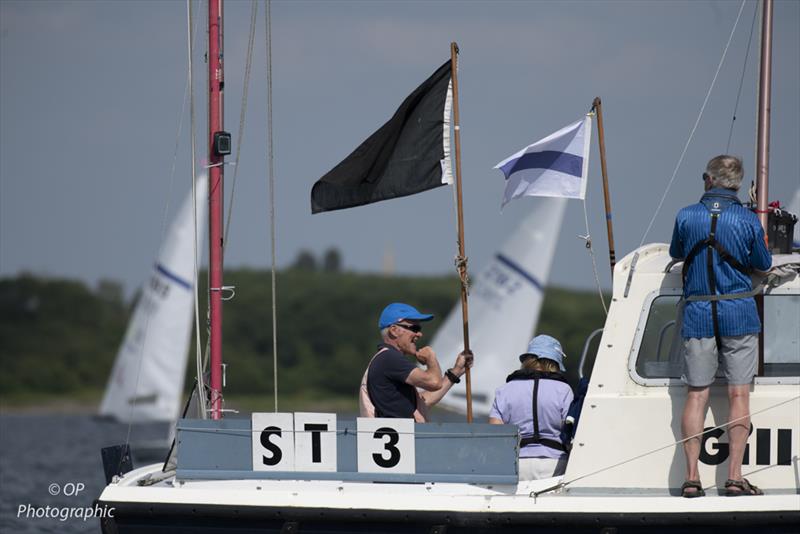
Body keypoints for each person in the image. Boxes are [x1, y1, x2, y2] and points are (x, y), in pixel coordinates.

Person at [670, 155, 772, 498]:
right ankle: (734, 476)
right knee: (738, 394)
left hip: (699, 312)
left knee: (696, 394)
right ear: (738, 184)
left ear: (707, 179)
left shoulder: (686, 215)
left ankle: (691, 477)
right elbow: (763, 262)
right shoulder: (747, 220)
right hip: (738, 312)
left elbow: (676, 251)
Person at [359, 302, 472, 421]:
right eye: (414, 328)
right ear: (394, 330)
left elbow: (422, 403)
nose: (419, 334)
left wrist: (456, 372)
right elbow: (435, 383)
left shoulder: (386, 359)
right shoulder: (389, 358)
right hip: (401, 437)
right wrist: (430, 357)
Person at [488, 335, 574, 481]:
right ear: (554, 362)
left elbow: (495, 430)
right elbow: (570, 428)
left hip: (516, 462)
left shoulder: (505, 390)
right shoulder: (564, 390)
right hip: (554, 462)